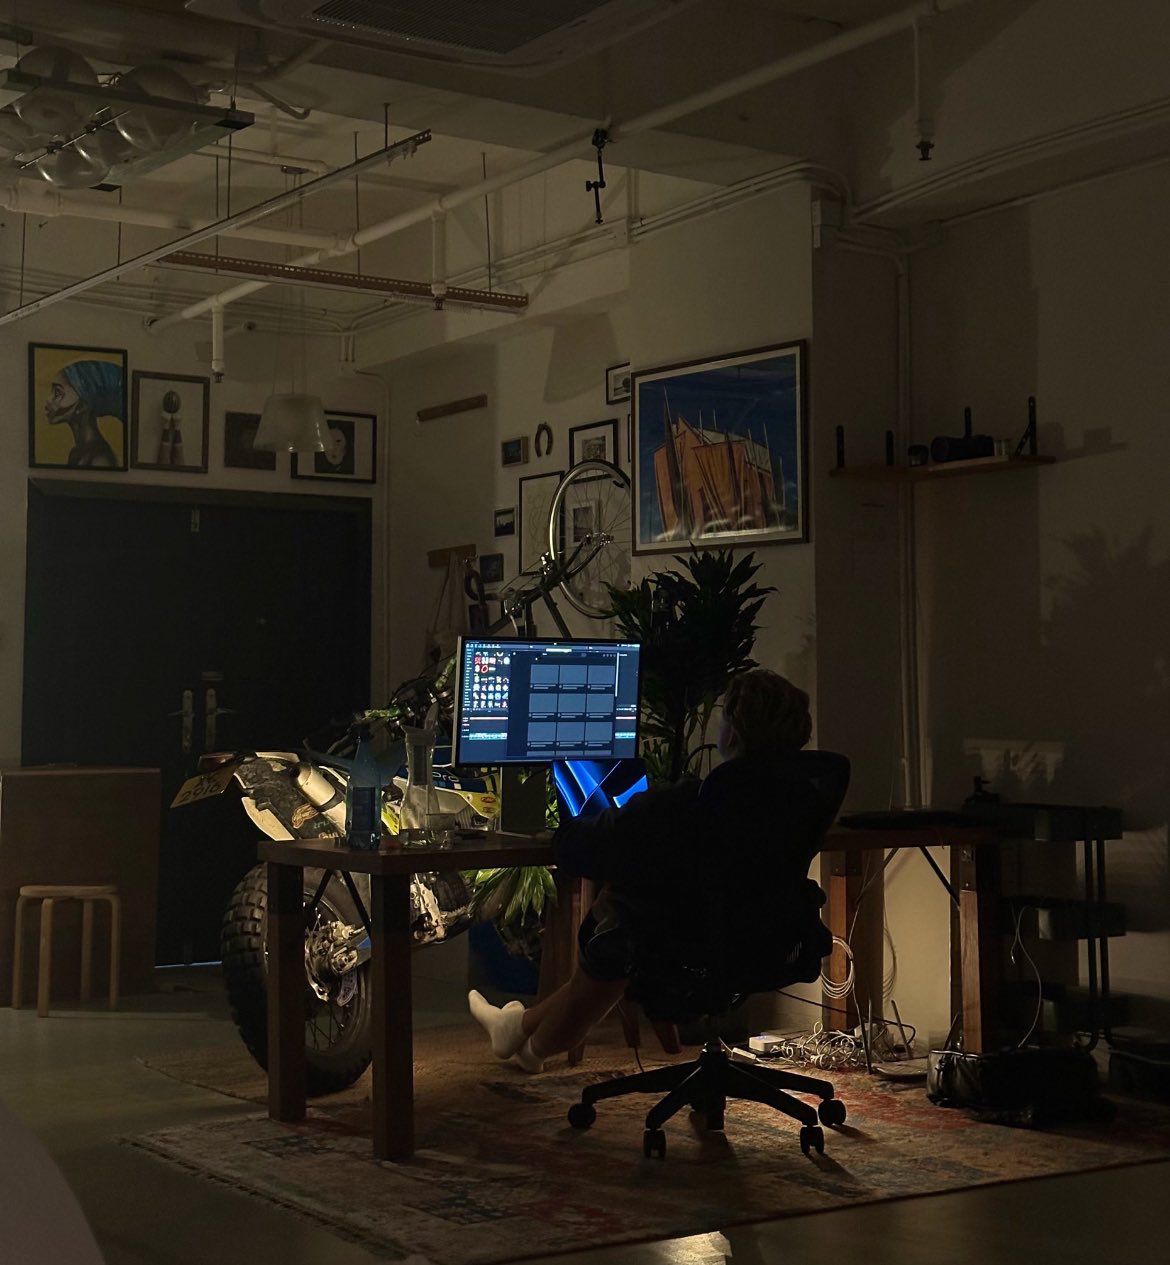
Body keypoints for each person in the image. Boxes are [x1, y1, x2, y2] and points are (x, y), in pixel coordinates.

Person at [469, 667, 829, 1073]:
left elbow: (585, 849)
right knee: (630, 922)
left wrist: (558, 826)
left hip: (687, 950)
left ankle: (529, 1044)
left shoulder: (690, 806)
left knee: (621, 917)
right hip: (767, 943)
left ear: (734, 733)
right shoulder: (803, 804)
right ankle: (517, 1029)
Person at [43, 359, 123, 468]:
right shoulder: (78, 452)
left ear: (83, 406)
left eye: (58, 394)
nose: (48, 400)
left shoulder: (100, 459)